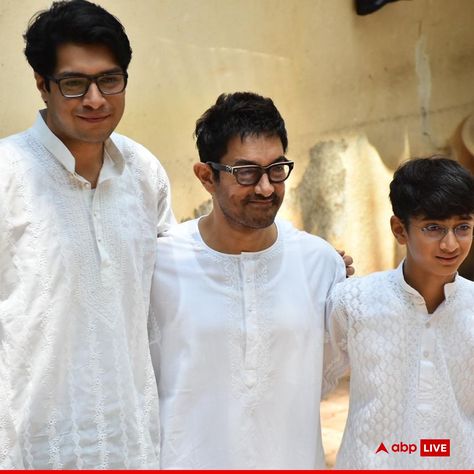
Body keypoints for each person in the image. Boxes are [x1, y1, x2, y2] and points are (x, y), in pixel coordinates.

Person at [0, 0, 174, 469]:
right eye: (75, 83)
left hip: (132, 442)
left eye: (110, 80)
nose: (96, 99)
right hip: (31, 446)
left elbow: (176, 282)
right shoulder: (6, 174)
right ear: (43, 85)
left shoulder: (144, 173)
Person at [149, 91, 348, 469]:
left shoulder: (320, 264)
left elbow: (322, 375)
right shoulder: (159, 265)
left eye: (277, 169)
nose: (266, 187)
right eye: (246, 172)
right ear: (207, 177)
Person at [324, 156, 474, 469]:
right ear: (399, 229)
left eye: (462, 227)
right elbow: (312, 381)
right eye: (433, 227)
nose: (450, 244)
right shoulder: (353, 302)